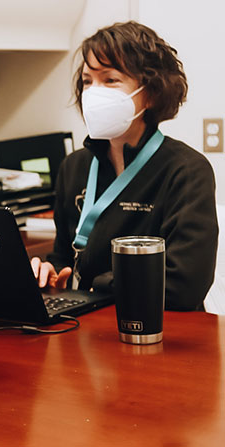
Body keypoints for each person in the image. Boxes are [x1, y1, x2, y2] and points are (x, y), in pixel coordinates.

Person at [31, 21, 218, 311]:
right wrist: (49, 273)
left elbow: (183, 286)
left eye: (110, 80)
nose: (93, 92)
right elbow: (64, 258)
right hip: (86, 325)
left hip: (160, 331)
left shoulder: (187, 171)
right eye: (87, 80)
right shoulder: (74, 167)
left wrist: (99, 286)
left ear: (151, 92)